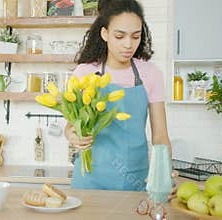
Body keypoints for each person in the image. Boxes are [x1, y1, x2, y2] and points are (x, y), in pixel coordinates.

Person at [65, 0, 175, 192]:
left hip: (136, 179)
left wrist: (164, 173)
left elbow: (160, 136)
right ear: (105, 34)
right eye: (119, 36)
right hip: (90, 180)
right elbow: (70, 127)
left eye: (135, 37)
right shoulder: (84, 73)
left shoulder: (151, 74)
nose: (128, 45)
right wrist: (74, 136)